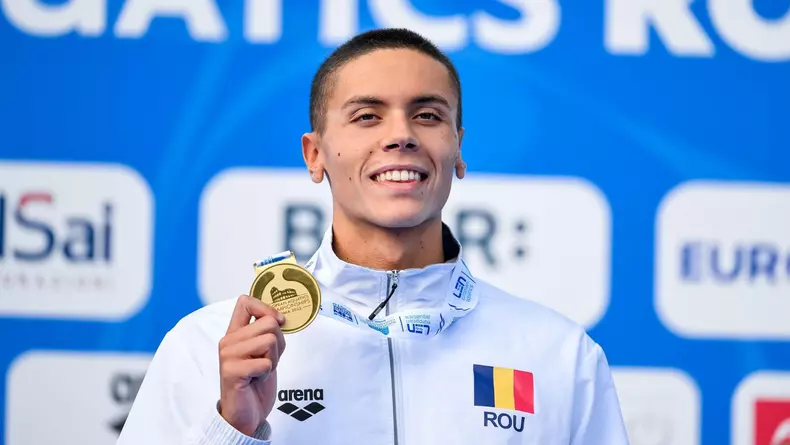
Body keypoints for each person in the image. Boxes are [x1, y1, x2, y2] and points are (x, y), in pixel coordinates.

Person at [117, 28, 629, 444]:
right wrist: (234, 431)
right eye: (367, 116)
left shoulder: (560, 357)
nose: (400, 134)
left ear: (458, 148)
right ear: (314, 155)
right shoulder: (207, 350)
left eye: (428, 115)